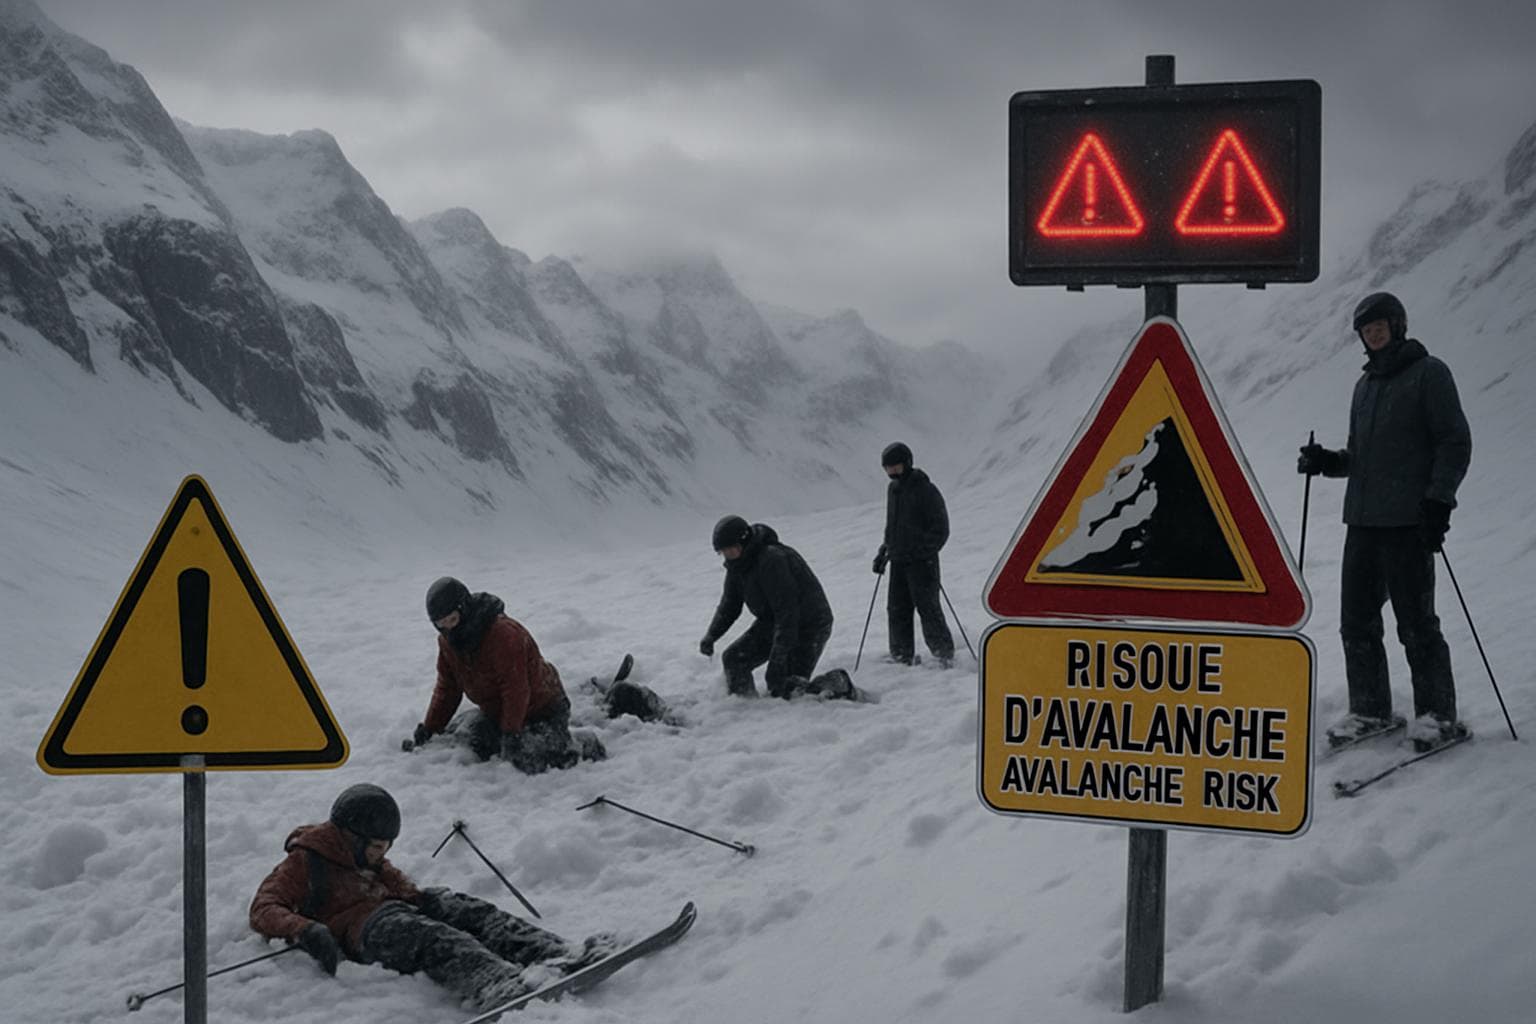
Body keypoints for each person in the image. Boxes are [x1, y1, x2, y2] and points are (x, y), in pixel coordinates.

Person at [249, 784, 616, 1012]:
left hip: (388, 909)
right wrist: (307, 930)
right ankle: (491, 981)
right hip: (363, 931)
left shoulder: (363, 855)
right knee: (425, 934)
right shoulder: (306, 859)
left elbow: (391, 878)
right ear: (350, 836)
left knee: (460, 906)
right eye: (376, 847)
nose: (381, 854)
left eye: (385, 847)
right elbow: (264, 907)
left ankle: (553, 951)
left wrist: (423, 899)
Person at [1297, 291, 1472, 752]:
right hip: (1362, 522)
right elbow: (1362, 458)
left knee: (1416, 623)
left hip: (1409, 523)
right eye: (1366, 329)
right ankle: (1371, 709)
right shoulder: (1366, 386)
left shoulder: (1429, 374)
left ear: (1398, 325)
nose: (1373, 334)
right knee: (1355, 622)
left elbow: (1454, 442)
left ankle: (1437, 715)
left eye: (1380, 326)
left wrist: (1439, 503)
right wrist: (1327, 462)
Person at [407, 576, 604, 772]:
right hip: (499, 712)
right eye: (442, 624)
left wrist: (511, 734)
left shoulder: (503, 635)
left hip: (544, 709)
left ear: (464, 610)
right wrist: (430, 729)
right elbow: (448, 688)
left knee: (526, 761)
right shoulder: (448, 643)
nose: (450, 628)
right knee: (471, 742)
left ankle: (580, 745)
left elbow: (516, 690)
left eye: (453, 619)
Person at [698, 515, 854, 700]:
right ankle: (745, 706)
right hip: (773, 621)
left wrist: (778, 658)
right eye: (723, 552)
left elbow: (787, 612)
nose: (727, 555)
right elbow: (730, 606)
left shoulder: (772, 560)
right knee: (734, 659)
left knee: (787, 687)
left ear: (744, 541)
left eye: (730, 549)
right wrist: (711, 636)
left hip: (809, 624)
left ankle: (837, 685)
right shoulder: (737, 567)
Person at [871, 442, 955, 668]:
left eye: (895, 467)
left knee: (928, 607)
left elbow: (941, 529)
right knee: (896, 609)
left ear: (907, 463)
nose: (892, 473)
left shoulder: (926, 490)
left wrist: (921, 552)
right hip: (898, 560)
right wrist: (884, 552)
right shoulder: (893, 490)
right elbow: (892, 526)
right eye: (888, 468)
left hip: (921, 563)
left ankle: (943, 654)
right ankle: (901, 655)